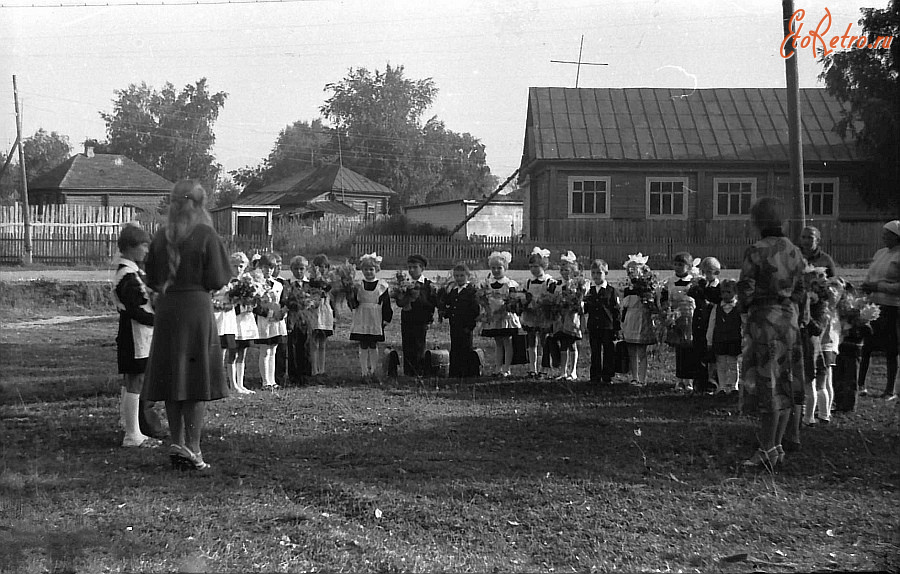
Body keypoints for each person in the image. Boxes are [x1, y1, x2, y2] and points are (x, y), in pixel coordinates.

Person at [142, 180, 231, 471]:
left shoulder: (160, 236)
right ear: (198, 203)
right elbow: (218, 278)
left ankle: (177, 442)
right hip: (195, 308)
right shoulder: (205, 234)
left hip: (168, 308)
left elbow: (152, 278)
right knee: (194, 380)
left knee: (173, 378)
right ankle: (195, 448)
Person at [737, 197, 806, 468]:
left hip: (764, 321)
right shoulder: (794, 251)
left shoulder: (757, 250)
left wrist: (746, 309)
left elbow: (746, 288)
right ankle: (776, 446)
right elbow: (802, 289)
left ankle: (766, 448)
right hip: (789, 321)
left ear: (758, 221)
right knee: (786, 383)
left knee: (769, 386)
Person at [112, 224, 163, 448]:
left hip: (140, 335)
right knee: (135, 381)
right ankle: (132, 434)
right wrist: (159, 321)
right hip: (134, 336)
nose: (146, 250)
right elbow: (135, 309)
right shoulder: (127, 275)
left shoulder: (133, 272)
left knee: (134, 382)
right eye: (143, 245)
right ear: (131, 247)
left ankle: (134, 428)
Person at [858, 220, 900, 401]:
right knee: (866, 346)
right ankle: (860, 385)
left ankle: (889, 389)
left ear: (896, 236)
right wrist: (867, 286)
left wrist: (878, 286)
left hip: (892, 306)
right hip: (873, 304)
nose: (883, 237)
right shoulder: (880, 253)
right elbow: (870, 274)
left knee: (891, 348)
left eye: (887, 234)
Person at [349, 252, 393, 379]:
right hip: (362, 316)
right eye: (366, 269)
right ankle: (364, 371)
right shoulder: (358, 285)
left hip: (375, 317)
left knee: (373, 343)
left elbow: (386, 304)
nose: (368, 272)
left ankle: (373, 370)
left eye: (371, 269)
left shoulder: (382, 286)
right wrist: (350, 295)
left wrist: (386, 318)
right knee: (363, 343)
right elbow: (355, 303)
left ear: (376, 270)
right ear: (362, 270)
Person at [661, 251, 700, 393]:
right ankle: (679, 379)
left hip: (690, 318)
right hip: (675, 318)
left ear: (689, 267)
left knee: (689, 348)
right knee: (679, 350)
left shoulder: (694, 281)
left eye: (681, 265)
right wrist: (666, 310)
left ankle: (689, 380)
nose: (678, 267)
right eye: (676, 264)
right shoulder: (670, 282)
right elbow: (665, 299)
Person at [479, 251, 521, 377]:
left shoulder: (509, 283)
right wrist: (487, 309)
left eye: (499, 268)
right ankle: (498, 367)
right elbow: (484, 299)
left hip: (505, 317)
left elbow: (512, 300)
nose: (496, 270)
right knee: (498, 342)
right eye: (493, 268)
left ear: (505, 268)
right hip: (493, 316)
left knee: (507, 341)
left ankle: (506, 368)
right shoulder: (488, 284)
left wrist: (504, 308)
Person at [620, 253, 659, 386]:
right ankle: (634, 377)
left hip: (642, 318)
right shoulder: (627, 289)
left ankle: (642, 378)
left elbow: (651, 304)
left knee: (641, 350)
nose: (631, 272)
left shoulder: (646, 288)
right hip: (630, 319)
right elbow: (624, 307)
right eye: (629, 270)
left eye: (634, 269)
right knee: (631, 349)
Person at [440, 263, 481, 378]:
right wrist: (445, 313)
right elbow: (450, 305)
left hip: (466, 325)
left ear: (468, 276)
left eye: (462, 276)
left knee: (465, 348)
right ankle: (455, 372)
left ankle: (465, 372)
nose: (459, 278)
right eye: (456, 276)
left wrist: (470, 326)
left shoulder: (471, 291)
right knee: (455, 347)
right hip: (454, 324)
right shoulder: (454, 291)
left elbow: (474, 310)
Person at [583, 259, 620, 384]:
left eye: (599, 273)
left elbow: (615, 310)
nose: (596, 276)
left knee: (608, 351)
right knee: (595, 351)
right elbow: (586, 309)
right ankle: (595, 376)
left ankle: (607, 376)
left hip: (607, 326)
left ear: (606, 273)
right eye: (593, 273)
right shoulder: (589, 291)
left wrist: (617, 328)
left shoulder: (611, 291)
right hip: (594, 325)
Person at [521, 247, 556, 377]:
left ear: (543, 266)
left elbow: (551, 298)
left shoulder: (549, 281)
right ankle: (532, 367)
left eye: (536, 266)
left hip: (543, 314)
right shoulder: (528, 282)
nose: (533, 269)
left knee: (544, 340)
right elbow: (524, 296)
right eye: (531, 266)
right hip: (531, 314)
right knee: (531, 340)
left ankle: (543, 367)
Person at [254, 252, 288, 389]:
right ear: (260, 268)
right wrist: (268, 313)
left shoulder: (278, 285)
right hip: (264, 321)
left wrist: (282, 314)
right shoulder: (256, 285)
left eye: (271, 268)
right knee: (265, 351)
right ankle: (265, 381)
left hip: (277, 322)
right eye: (265, 267)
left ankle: (272, 380)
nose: (268, 270)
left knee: (273, 350)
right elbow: (254, 306)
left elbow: (284, 301)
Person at [226, 252, 258, 394]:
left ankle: (241, 383)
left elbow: (254, 297)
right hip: (234, 319)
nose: (238, 269)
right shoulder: (228, 283)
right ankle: (232, 384)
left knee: (243, 352)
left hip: (246, 320)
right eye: (235, 266)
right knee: (233, 351)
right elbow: (228, 301)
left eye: (241, 266)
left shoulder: (248, 281)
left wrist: (252, 303)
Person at [400, 254, 437, 377]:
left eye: (415, 267)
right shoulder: (405, 283)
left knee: (419, 345)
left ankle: (418, 371)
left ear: (422, 268)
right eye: (409, 267)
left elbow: (432, 303)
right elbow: (400, 302)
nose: (411, 270)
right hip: (407, 318)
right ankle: (408, 371)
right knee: (407, 344)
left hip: (421, 320)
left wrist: (429, 319)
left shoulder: (427, 285)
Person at [551, 251, 585, 381]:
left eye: (567, 269)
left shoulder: (576, 284)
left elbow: (579, 300)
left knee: (571, 343)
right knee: (563, 343)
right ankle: (563, 371)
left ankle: (573, 370)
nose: (564, 272)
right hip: (561, 317)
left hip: (572, 317)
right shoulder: (558, 285)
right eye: (562, 269)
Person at [705, 279, 742, 395]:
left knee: (732, 362)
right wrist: (709, 340)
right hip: (720, 339)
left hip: (734, 339)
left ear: (735, 293)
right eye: (723, 292)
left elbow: (743, 324)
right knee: (720, 363)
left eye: (729, 292)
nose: (725, 295)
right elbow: (712, 323)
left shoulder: (738, 307)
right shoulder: (717, 308)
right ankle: (722, 386)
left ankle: (733, 385)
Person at [691, 257, 722, 394]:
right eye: (704, 271)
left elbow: (713, 297)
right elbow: (692, 294)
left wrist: (703, 288)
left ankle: (713, 381)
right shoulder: (702, 285)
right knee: (699, 351)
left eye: (710, 272)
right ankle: (700, 382)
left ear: (717, 272)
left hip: (713, 321)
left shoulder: (718, 287)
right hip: (700, 322)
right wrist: (696, 285)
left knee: (712, 353)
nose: (706, 275)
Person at [282, 255, 312, 386]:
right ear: (291, 269)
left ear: (306, 269)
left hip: (306, 319)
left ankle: (305, 375)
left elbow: (315, 299)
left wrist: (310, 302)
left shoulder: (310, 284)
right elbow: (284, 300)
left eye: (301, 269)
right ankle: (293, 375)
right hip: (292, 319)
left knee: (305, 346)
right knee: (292, 346)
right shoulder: (287, 283)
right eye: (296, 269)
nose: (299, 272)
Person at [309, 254, 335, 376]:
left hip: (326, 311)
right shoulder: (312, 281)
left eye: (324, 266)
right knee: (314, 342)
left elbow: (333, 298)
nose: (322, 269)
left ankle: (322, 369)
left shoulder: (330, 281)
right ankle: (314, 369)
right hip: (315, 311)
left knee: (323, 342)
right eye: (319, 266)